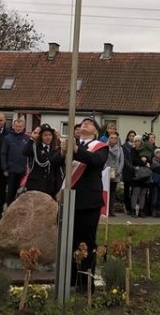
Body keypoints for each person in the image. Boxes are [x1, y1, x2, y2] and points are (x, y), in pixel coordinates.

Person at [63, 117, 109, 291]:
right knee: (69, 241)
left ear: (95, 131)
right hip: (70, 200)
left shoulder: (100, 147)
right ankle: (69, 279)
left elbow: (96, 161)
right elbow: (55, 161)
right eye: (83, 123)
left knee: (86, 242)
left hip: (89, 202)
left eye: (89, 124)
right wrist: (62, 152)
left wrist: (76, 150)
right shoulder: (71, 144)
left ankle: (85, 284)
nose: (85, 124)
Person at [23, 124, 63, 198]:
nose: (48, 137)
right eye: (45, 135)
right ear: (41, 136)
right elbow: (26, 152)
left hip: (50, 185)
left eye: (50, 135)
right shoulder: (36, 147)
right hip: (36, 184)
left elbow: (58, 165)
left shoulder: (55, 149)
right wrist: (32, 139)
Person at [1, 118, 31, 207]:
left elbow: (30, 154)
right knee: (11, 192)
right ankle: (9, 210)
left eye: (20, 126)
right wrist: (4, 168)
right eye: (16, 126)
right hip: (11, 170)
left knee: (21, 192)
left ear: (23, 127)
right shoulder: (7, 138)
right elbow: (3, 153)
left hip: (23, 170)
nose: (18, 128)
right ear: (13, 126)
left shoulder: (27, 138)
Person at [130, 135, 154, 218]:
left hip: (146, 174)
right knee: (135, 192)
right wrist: (143, 162)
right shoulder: (133, 150)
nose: (137, 143)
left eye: (138, 141)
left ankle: (141, 210)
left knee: (143, 193)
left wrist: (147, 160)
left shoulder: (145, 149)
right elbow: (134, 160)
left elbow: (150, 159)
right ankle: (133, 210)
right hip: (137, 173)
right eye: (135, 141)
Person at [104, 132, 125, 216]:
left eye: (115, 138)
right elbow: (103, 159)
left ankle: (111, 210)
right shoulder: (105, 148)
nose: (113, 139)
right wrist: (106, 169)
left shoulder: (120, 149)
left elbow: (121, 161)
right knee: (106, 191)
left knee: (113, 192)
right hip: (106, 171)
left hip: (115, 173)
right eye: (111, 138)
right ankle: (105, 210)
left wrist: (118, 171)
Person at [149, 148, 160, 217]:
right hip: (155, 181)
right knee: (154, 196)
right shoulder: (153, 161)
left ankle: (159, 210)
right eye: (157, 153)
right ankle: (153, 210)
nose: (159, 154)